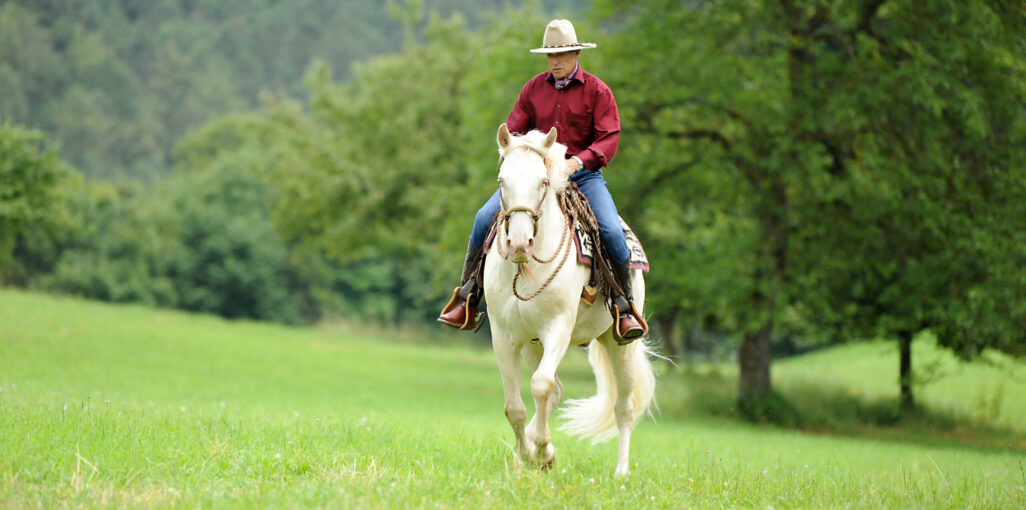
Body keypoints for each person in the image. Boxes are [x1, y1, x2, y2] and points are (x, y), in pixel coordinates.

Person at [438, 19, 647, 342]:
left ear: (576, 52)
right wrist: (520, 153)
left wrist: (576, 161)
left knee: (609, 230)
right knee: (482, 218)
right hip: (535, 177)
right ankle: (467, 295)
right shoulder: (533, 88)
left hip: (584, 176)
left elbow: (609, 138)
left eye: (562, 54)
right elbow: (513, 129)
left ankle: (623, 306)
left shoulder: (597, 91)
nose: (556, 61)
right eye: (551, 55)